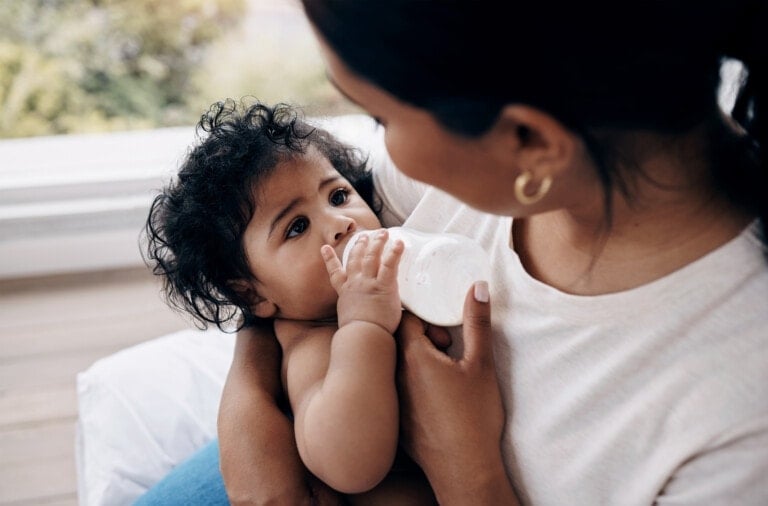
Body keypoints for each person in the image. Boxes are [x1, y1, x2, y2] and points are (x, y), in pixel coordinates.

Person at [140, 1, 768, 504]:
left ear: (529, 141)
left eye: (382, 118)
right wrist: (254, 435)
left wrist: (466, 469)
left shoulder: (738, 430)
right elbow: (271, 290)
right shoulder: (472, 157)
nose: (350, 203)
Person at [137, 98, 437, 505]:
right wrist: (364, 328)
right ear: (251, 293)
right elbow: (351, 465)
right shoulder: (312, 347)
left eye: (337, 196)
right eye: (296, 227)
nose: (340, 223)